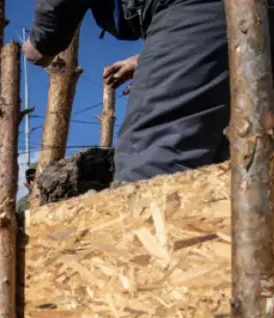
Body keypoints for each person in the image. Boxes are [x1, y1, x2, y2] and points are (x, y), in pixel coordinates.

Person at [23, 0, 274, 185]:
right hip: (246, 14)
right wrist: (143, 58)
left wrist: (43, 40)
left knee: (151, 167)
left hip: (201, 9)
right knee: (246, 165)